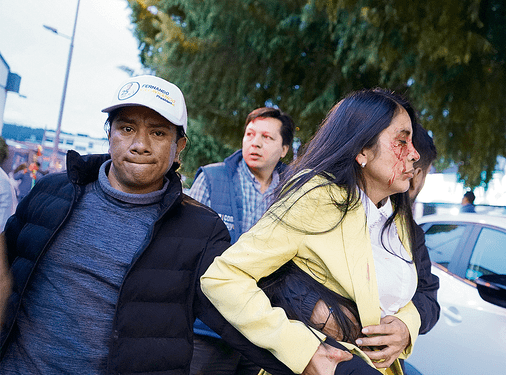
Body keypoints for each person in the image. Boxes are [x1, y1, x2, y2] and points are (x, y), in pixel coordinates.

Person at [0, 75, 292, 375]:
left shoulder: (201, 231)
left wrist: (313, 356)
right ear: (109, 133)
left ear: (179, 147)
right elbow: (5, 272)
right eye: (127, 129)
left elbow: (236, 313)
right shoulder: (50, 193)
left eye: (158, 133)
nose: (140, 145)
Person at [202, 89, 436, 375]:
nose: (414, 154)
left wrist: (406, 326)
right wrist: (301, 347)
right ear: (362, 149)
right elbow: (223, 278)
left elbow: (421, 291)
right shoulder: (317, 197)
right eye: (402, 141)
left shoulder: (397, 216)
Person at [188, 107, 295, 375]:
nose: (255, 142)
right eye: (250, 134)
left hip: (264, 334)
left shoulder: (295, 193)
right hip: (208, 328)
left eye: (267, 138)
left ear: (284, 149)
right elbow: (186, 252)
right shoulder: (212, 180)